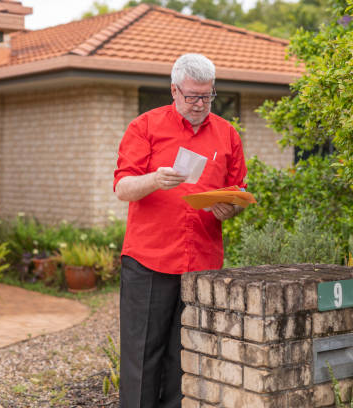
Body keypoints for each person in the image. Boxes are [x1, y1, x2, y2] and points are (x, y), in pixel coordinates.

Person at [113, 53, 247, 408]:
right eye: (192, 96)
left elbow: (237, 194)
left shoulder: (228, 135)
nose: (200, 104)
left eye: (207, 96)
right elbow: (123, 188)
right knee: (142, 359)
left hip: (201, 263)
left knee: (186, 358)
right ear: (174, 90)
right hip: (149, 261)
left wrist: (228, 208)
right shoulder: (144, 127)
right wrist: (155, 179)